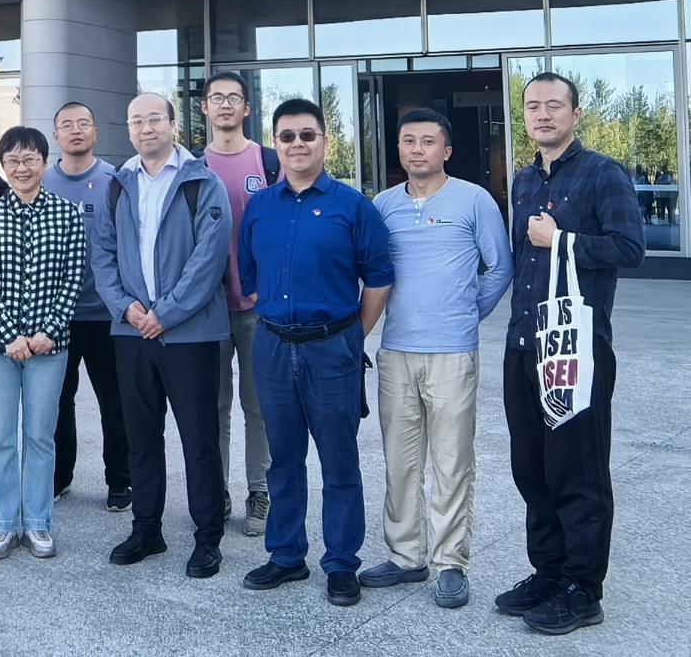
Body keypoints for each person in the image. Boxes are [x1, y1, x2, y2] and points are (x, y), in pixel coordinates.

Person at [496, 72, 645, 635]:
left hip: (575, 347)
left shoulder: (604, 173)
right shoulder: (523, 179)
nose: (542, 114)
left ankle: (583, 587)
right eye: (532, 106)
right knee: (532, 467)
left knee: (576, 470)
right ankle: (549, 572)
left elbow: (630, 248)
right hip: (524, 343)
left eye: (554, 105)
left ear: (576, 114)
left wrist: (562, 241)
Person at [238, 98, 393, 606]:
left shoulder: (354, 206)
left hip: (333, 349)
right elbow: (250, 278)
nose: (297, 144)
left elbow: (379, 279)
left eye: (308, 135)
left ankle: (341, 563)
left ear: (325, 141)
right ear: (275, 144)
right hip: (273, 348)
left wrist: (351, 336)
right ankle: (286, 555)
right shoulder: (260, 206)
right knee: (283, 459)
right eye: (287, 136)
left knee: (339, 460)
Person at [360, 108, 512, 608]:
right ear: (399, 149)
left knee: (452, 462)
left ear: (446, 150)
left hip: (452, 354)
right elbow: (371, 271)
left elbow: (500, 267)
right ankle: (407, 557)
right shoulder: (383, 205)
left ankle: (451, 563)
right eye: (409, 141)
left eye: (428, 141)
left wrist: (467, 315)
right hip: (396, 352)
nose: (417, 149)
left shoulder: (474, 199)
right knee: (400, 462)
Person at [93, 94, 232, 580]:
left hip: (190, 334)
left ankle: (207, 537)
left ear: (173, 125)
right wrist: (124, 307)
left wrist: (166, 313)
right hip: (131, 331)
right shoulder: (118, 184)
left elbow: (209, 260)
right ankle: (146, 528)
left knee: (199, 439)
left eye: (155, 119)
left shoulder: (202, 182)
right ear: (128, 129)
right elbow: (102, 254)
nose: (146, 127)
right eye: (137, 121)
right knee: (141, 438)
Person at [0, 127, 86, 560]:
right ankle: (3, 524)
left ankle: (38, 522)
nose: (21, 168)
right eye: (13, 161)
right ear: (3, 165)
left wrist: (48, 331)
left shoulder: (67, 213)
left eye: (30, 159)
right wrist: (10, 335)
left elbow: (73, 279)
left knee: (40, 436)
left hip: (48, 346)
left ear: (44, 161)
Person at [199, 71, 278, 536]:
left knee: (258, 406)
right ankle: (217, 490)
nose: (225, 104)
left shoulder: (268, 162)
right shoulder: (192, 164)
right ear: (205, 108)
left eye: (234, 98)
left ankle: (259, 491)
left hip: (257, 308)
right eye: (217, 98)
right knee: (214, 407)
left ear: (247, 108)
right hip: (206, 309)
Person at [44, 101, 132, 511]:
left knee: (114, 404)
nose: (76, 130)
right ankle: (60, 476)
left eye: (84, 123)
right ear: (56, 135)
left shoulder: (115, 180)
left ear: (96, 132)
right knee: (57, 403)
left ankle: (120, 481)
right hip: (56, 317)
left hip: (106, 315)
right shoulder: (42, 181)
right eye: (67, 125)